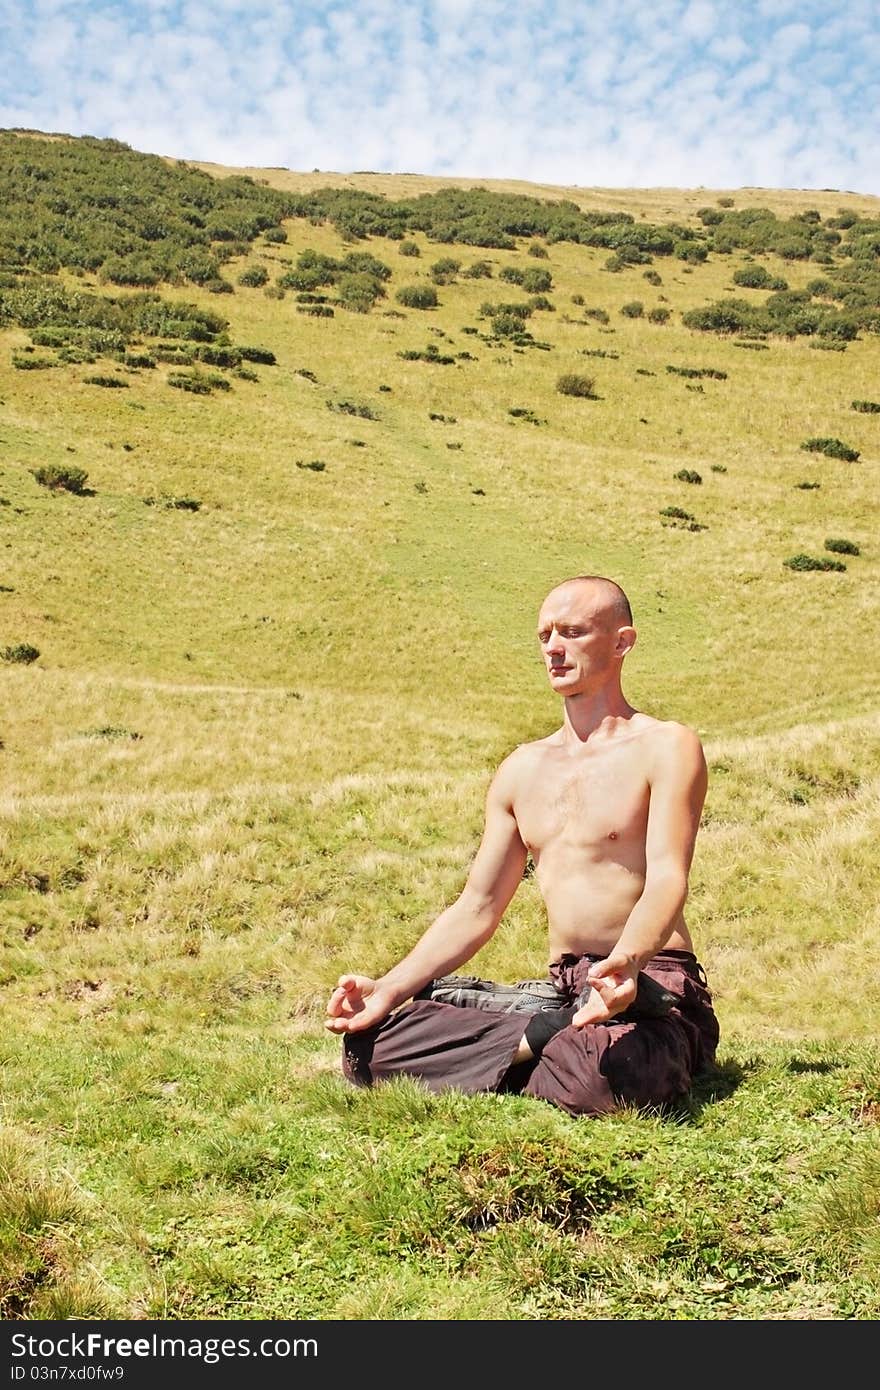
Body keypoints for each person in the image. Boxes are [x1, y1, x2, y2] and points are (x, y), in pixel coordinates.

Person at [325, 574, 719, 1117]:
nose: (554, 648)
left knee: (599, 1080)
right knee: (370, 1045)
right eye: (544, 636)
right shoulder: (521, 769)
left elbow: (668, 876)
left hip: (652, 979)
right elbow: (478, 906)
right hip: (565, 988)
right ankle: (547, 1030)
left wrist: (627, 963)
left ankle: (522, 1039)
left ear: (622, 641)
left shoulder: (664, 746)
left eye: (573, 632)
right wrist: (388, 989)